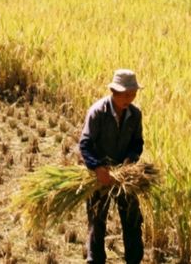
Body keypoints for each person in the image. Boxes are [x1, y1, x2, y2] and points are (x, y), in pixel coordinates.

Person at [79, 69, 145, 264]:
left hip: (124, 175)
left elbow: (137, 142)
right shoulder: (98, 112)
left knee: (132, 219)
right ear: (114, 92)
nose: (129, 98)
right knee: (97, 221)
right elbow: (85, 144)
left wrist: (129, 162)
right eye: (125, 94)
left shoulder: (135, 114)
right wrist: (98, 168)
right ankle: (95, 260)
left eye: (132, 94)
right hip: (99, 175)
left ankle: (134, 260)